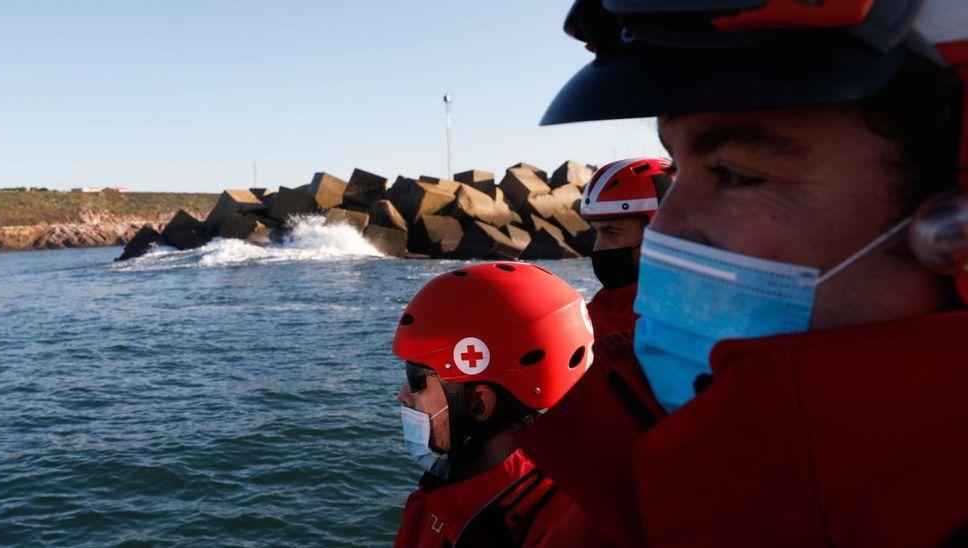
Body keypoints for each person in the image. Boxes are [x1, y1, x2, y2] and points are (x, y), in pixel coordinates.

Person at [509, 1, 968, 546]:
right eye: (678, 171)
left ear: (952, 229)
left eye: (734, 174)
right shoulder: (642, 490)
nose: (664, 232)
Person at [392, 261, 594, 547]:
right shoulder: (453, 488)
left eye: (416, 382)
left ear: (479, 403)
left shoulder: (557, 532)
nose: (402, 395)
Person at [580, 158, 673, 338]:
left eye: (611, 232)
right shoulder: (597, 311)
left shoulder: (679, 325)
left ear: (661, 233)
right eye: (596, 233)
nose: (597, 248)